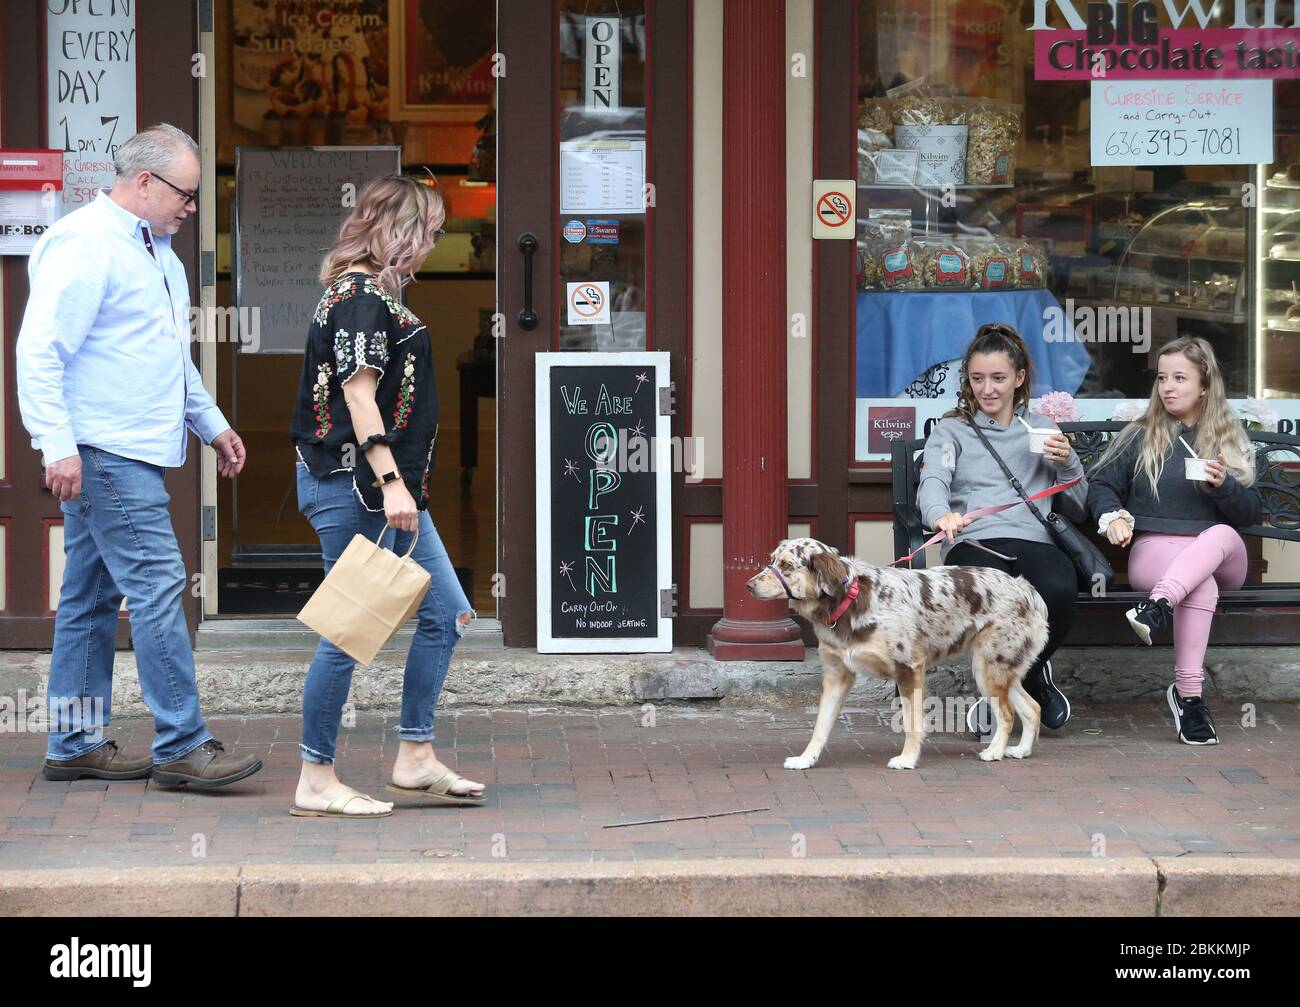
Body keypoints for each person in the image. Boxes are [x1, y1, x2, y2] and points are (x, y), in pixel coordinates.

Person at [17, 124, 262, 788]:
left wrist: (210, 423)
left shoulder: (161, 253)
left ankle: (73, 741)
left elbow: (166, 356)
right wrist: (57, 445)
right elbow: (39, 351)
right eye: (185, 193)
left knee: (90, 595)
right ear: (145, 181)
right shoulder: (85, 243)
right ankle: (182, 744)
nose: (192, 207)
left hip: (127, 448)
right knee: (157, 585)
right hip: (105, 450)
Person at [289, 175, 481, 818]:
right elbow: (358, 394)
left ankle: (415, 756)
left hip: (381, 489)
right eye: (430, 231)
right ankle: (315, 777)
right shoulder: (363, 297)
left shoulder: (361, 293)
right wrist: (391, 479)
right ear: (400, 232)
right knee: (348, 630)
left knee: (447, 613)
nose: (433, 244)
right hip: (361, 488)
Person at [1088, 336, 1260, 745]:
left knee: (1218, 536)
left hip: (1219, 552)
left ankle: (1156, 605)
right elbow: (1100, 487)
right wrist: (1112, 517)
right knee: (1200, 582)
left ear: (1204, 385)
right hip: (1155, 551)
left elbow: (1248, 514)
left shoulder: (1226, 437)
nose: (1168, 386)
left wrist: (1223, 487)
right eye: (1162, 377)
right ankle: (1189, 696)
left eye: (1180, 378)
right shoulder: (1140, 436)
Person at [917, 323, 1086, 737]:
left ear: (1019, 378)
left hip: (1032, 539)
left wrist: (1068, 462)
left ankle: (1016, 681)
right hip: (975, 541)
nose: (987, 389)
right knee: (990, 594)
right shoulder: (951, 430)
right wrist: (941, 515)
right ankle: (1021, 685)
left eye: (998, 378)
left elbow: (1080, 503)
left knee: (1060, 589)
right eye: (977, 379)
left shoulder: (1041, 427)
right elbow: (933, 479)